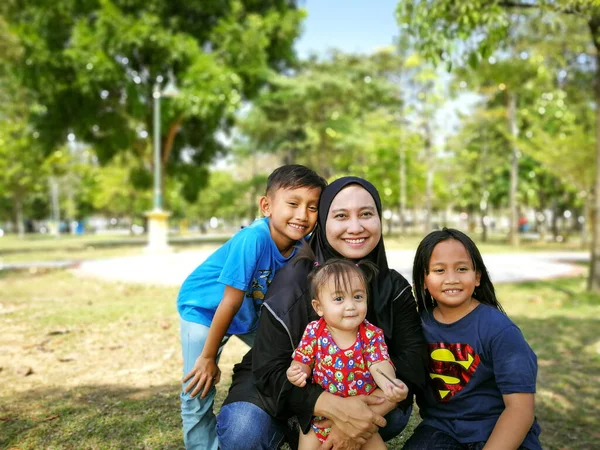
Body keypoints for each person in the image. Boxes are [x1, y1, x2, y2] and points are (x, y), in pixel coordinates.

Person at [217, 176, 427, 450]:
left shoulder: (393, 286)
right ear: (324, 222)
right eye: (341, 216)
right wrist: (336, 410)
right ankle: (296, 431)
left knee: (396, 417)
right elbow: (269, 368)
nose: (356, 227)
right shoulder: (292, 284)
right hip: (284, 393)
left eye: (366, 214)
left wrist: (364, 413)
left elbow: (413, 357)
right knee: (243, 432)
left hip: (360, 390)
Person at [177, 164, 327, 450]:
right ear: (266, 206)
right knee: (198, 385)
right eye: (293, 204)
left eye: (312, 207)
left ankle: (294, 422)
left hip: (247, 315)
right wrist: (208, 357)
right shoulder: (253, 239)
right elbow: (230, 301)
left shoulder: (302, 245)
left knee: (286, 357)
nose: (302, 215)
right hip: (205, 310)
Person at [404, 228, 542, 450]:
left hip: (498, 429)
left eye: (462, 269)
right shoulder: (415, 327)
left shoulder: (500, 330)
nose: (451, 279)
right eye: (439, 270)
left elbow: (520, 410)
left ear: (477, 276)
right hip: (442, 429)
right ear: (423, 280)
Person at [287, 255, 409, 449]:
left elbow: (379, 364)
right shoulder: (314, 331)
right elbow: (303, 360)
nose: (351, 306)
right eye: (338, 298)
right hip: (322, 417)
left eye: (358, 297)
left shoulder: (370, 334)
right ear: (319, 307)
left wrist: (389, 384)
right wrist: (297, 371)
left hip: (362, 414)